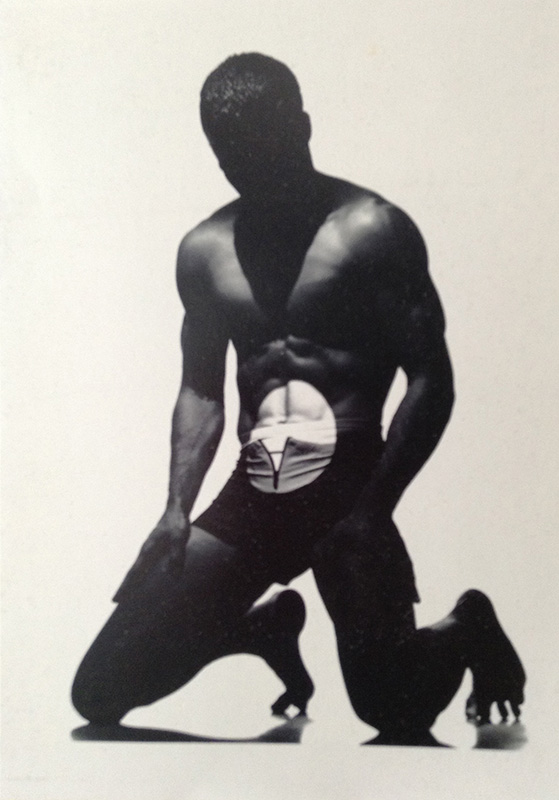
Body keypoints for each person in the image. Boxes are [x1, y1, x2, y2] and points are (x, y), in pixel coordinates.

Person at [72, 53, 525, 744]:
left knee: (392, 710)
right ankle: (262, 629)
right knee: (98, 692)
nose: (251, 173)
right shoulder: (205, 250)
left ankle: (467, 627)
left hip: (350, 490)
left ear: (303, 128)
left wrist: (372, 510)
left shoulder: (373, 230)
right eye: (232, 159)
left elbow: (431, 378)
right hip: (255, 493)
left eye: (265, 152)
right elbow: (201, 387)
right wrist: (175, 511)